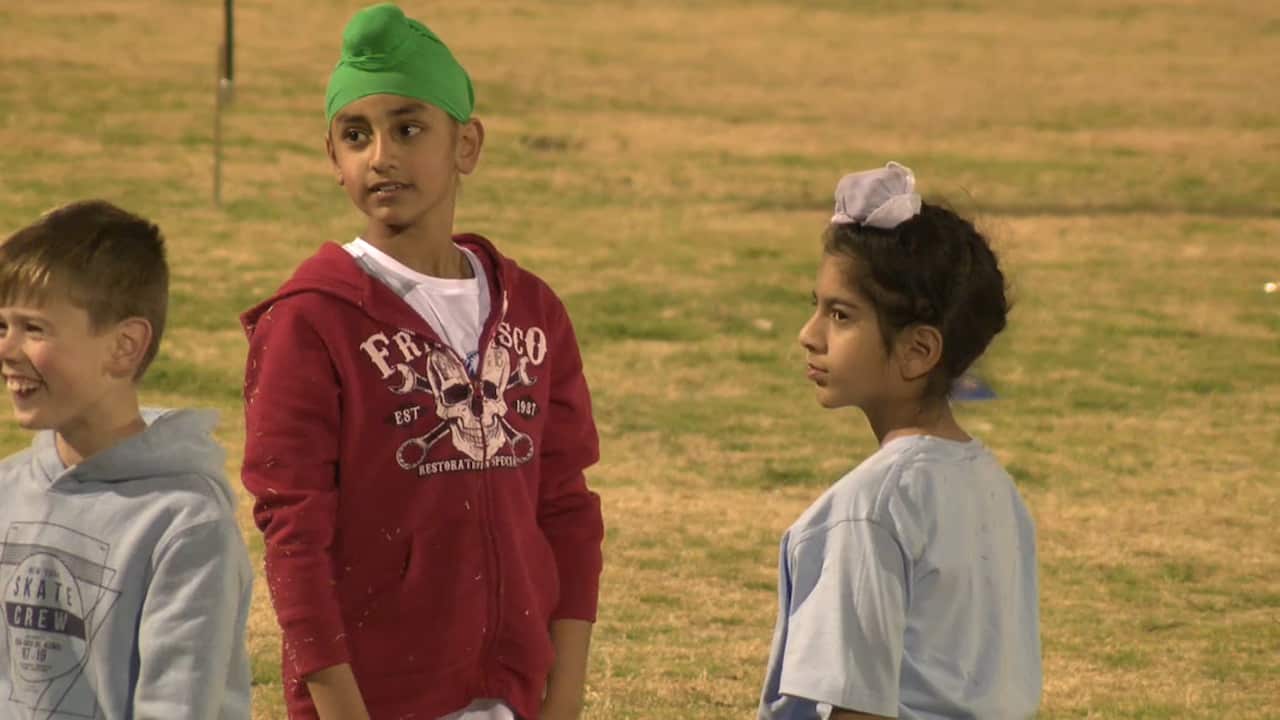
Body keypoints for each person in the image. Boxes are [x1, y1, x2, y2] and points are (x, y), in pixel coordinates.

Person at [239, 4, 604, 719]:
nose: (381, 155)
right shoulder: (310, 322)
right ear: (333, 160)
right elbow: (294, 537)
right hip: (377, 699)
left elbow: (565, 510)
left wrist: (562, 697)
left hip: (515, 695)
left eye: (409, 128)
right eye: (356, 135)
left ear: (466, 145)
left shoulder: (532, 311)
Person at [758, 163, 1042, 719]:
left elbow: (855, 708)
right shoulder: (995, 488)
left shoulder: (866, 513)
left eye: (839, 315)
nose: (808, 334)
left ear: (918, 350)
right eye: (813, 306)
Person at [0, 200, 252, 719]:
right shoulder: (7, 491)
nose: (8, 348)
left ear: (124, 346)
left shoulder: (184, 524)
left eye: (34, 328)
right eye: (2, 326)